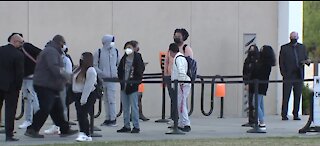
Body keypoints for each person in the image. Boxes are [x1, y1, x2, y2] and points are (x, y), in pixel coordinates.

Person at [24, 35, 78, 138]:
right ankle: (32, 129)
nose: (64, 46)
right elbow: (54, 67)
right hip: (45, 85)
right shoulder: (51, 52)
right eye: (63, 43)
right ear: (59, 43)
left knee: (57, 108)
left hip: (50, 85)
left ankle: (64, 129)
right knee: (46, 108)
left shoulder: (52, 51)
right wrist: (67, 76)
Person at [279, 31, 311, 121]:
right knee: (286, 95)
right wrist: (284, 73)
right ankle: (284, 114)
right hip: (288, 75)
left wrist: (307, 61)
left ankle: (296, 114)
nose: (294, 38)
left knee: (297, 95)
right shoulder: (284, 48)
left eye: (295, 36)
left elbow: (306, 58)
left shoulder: (302, 47)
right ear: (290, 38)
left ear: (298, 37)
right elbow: (281, 62)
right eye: (292, 37)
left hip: (298, 74)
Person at [164, 28, 193, 118]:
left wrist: (183, 78)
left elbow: (189, 64)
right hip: (170, 77)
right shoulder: (171, 48)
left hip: (181, 78)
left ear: (183, 37)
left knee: (181, 99)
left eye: (178, 36)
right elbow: (166, 62)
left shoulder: (186, 49)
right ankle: (174, 117)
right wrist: (165, 75)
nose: (176, 37)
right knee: (173, 97)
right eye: (175, 35)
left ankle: (181, 119)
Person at [43, 44, 73, 135]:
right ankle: (56, 125)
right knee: (54, 107)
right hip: (51, 86)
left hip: (61, 86)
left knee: (62, 106)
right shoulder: (51, 60)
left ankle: (63, 126)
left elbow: (68, 74)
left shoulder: (65, 60)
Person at [0, 33, 25, 141]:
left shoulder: (0, 50)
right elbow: (20, 74)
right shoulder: (18, 55)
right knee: (10, 111)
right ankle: (9, 135)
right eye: (21, 42)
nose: (21, 44)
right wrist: (18, 87)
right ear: (15, 41)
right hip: (11, 87)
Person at [117, 41, 145, 133]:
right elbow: (120, 70)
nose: (128, 50)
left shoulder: (137, 57)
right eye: (126, 48)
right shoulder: (124, 58)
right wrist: (121, 80)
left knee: (134, 106)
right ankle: (126, 125)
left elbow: (140, 70)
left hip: (133, 86)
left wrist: (135, 82)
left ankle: (136, 126)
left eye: (130, 47)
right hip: (124, 85)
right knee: (125, 107)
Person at [93, 34, 119, 126]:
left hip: (112, 79)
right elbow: (95, 65)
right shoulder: (98, 52)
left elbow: (118, 64)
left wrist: (116, 74)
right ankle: (108, 118)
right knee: (106, 99)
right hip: (103, 80)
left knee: (112, 99)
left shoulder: (115, 51)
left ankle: (113, 118)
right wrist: (102, 74)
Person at [72, 52, 97, 142]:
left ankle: (86, 134)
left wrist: (84, 98)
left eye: (83, 58)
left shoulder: (91, 70)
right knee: (80, 115)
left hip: (87, 95)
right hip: (78, 94)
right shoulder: (78, 69)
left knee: (83, 114)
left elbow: (88, 86)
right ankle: (82, 132)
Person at [250, 45, 276, 130]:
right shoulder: (263, 62)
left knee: (256, 103)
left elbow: (258, 73)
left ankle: (262, 122)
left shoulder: (265, 64)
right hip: (260, 84)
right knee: (260, 104)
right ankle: (259, 120)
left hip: (260, 84)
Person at [168, 43, 191, 132]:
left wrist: (181, 81)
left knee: (182, 104)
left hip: (182, 84)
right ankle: (182, 123)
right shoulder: (180, 57)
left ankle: (186, 123)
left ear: (170, 51)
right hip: (182, 83)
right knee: (180, 104)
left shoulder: (178, 59)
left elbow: (181, 71)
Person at [19, 42, 42, 129]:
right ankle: (28, 120)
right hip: (24, 77)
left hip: (32, 76)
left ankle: (36, 120)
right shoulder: (18, 50)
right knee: (27, 99)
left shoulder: (27, 46)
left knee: (33, 98)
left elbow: (41, 52)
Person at [130, 40, 149, 121]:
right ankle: (136, 114)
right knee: (136, 98)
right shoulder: (134, 56)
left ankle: (139, 113)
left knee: (139, 97)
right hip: (134, 80)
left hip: (138, 79)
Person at [241, 44, 259, 127]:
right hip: (249, 83)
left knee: (256, 103)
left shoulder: (258, 61)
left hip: (257, 84)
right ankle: (251, 120)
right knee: (250, 103)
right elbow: (244, 72)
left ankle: (257, 120)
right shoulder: (247, 61)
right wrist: (246, 83)